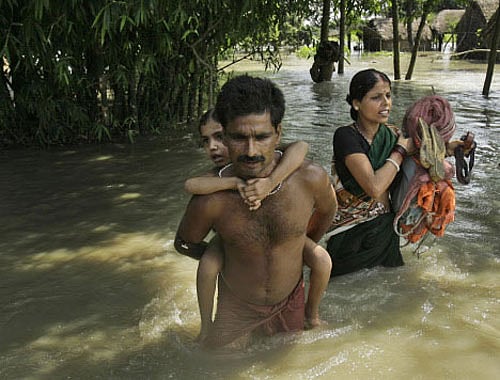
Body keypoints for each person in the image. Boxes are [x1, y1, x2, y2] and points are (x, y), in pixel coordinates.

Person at [174, 75, 337, 349]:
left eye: (262, 137)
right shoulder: (212, 199)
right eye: (238, 138)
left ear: (279, 133)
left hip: (291, 299)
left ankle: (311, 316)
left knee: (289, 365)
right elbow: (184, 243)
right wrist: (229, 254)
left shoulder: (310, 179)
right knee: (219, 366)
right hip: (236, 306)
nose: (251, 151)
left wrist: (299, 245)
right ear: (224, 135)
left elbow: (328, 210)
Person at [326, 68, 414, 277]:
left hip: (384, 230)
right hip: (350, 235)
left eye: (388, 95)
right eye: (376, 97)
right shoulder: (346, 136)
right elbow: (373, 187)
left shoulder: (392, 135)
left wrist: (456, 147)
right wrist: (400, 151)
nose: (386, 103)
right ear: (356, 103)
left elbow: (427, 152)